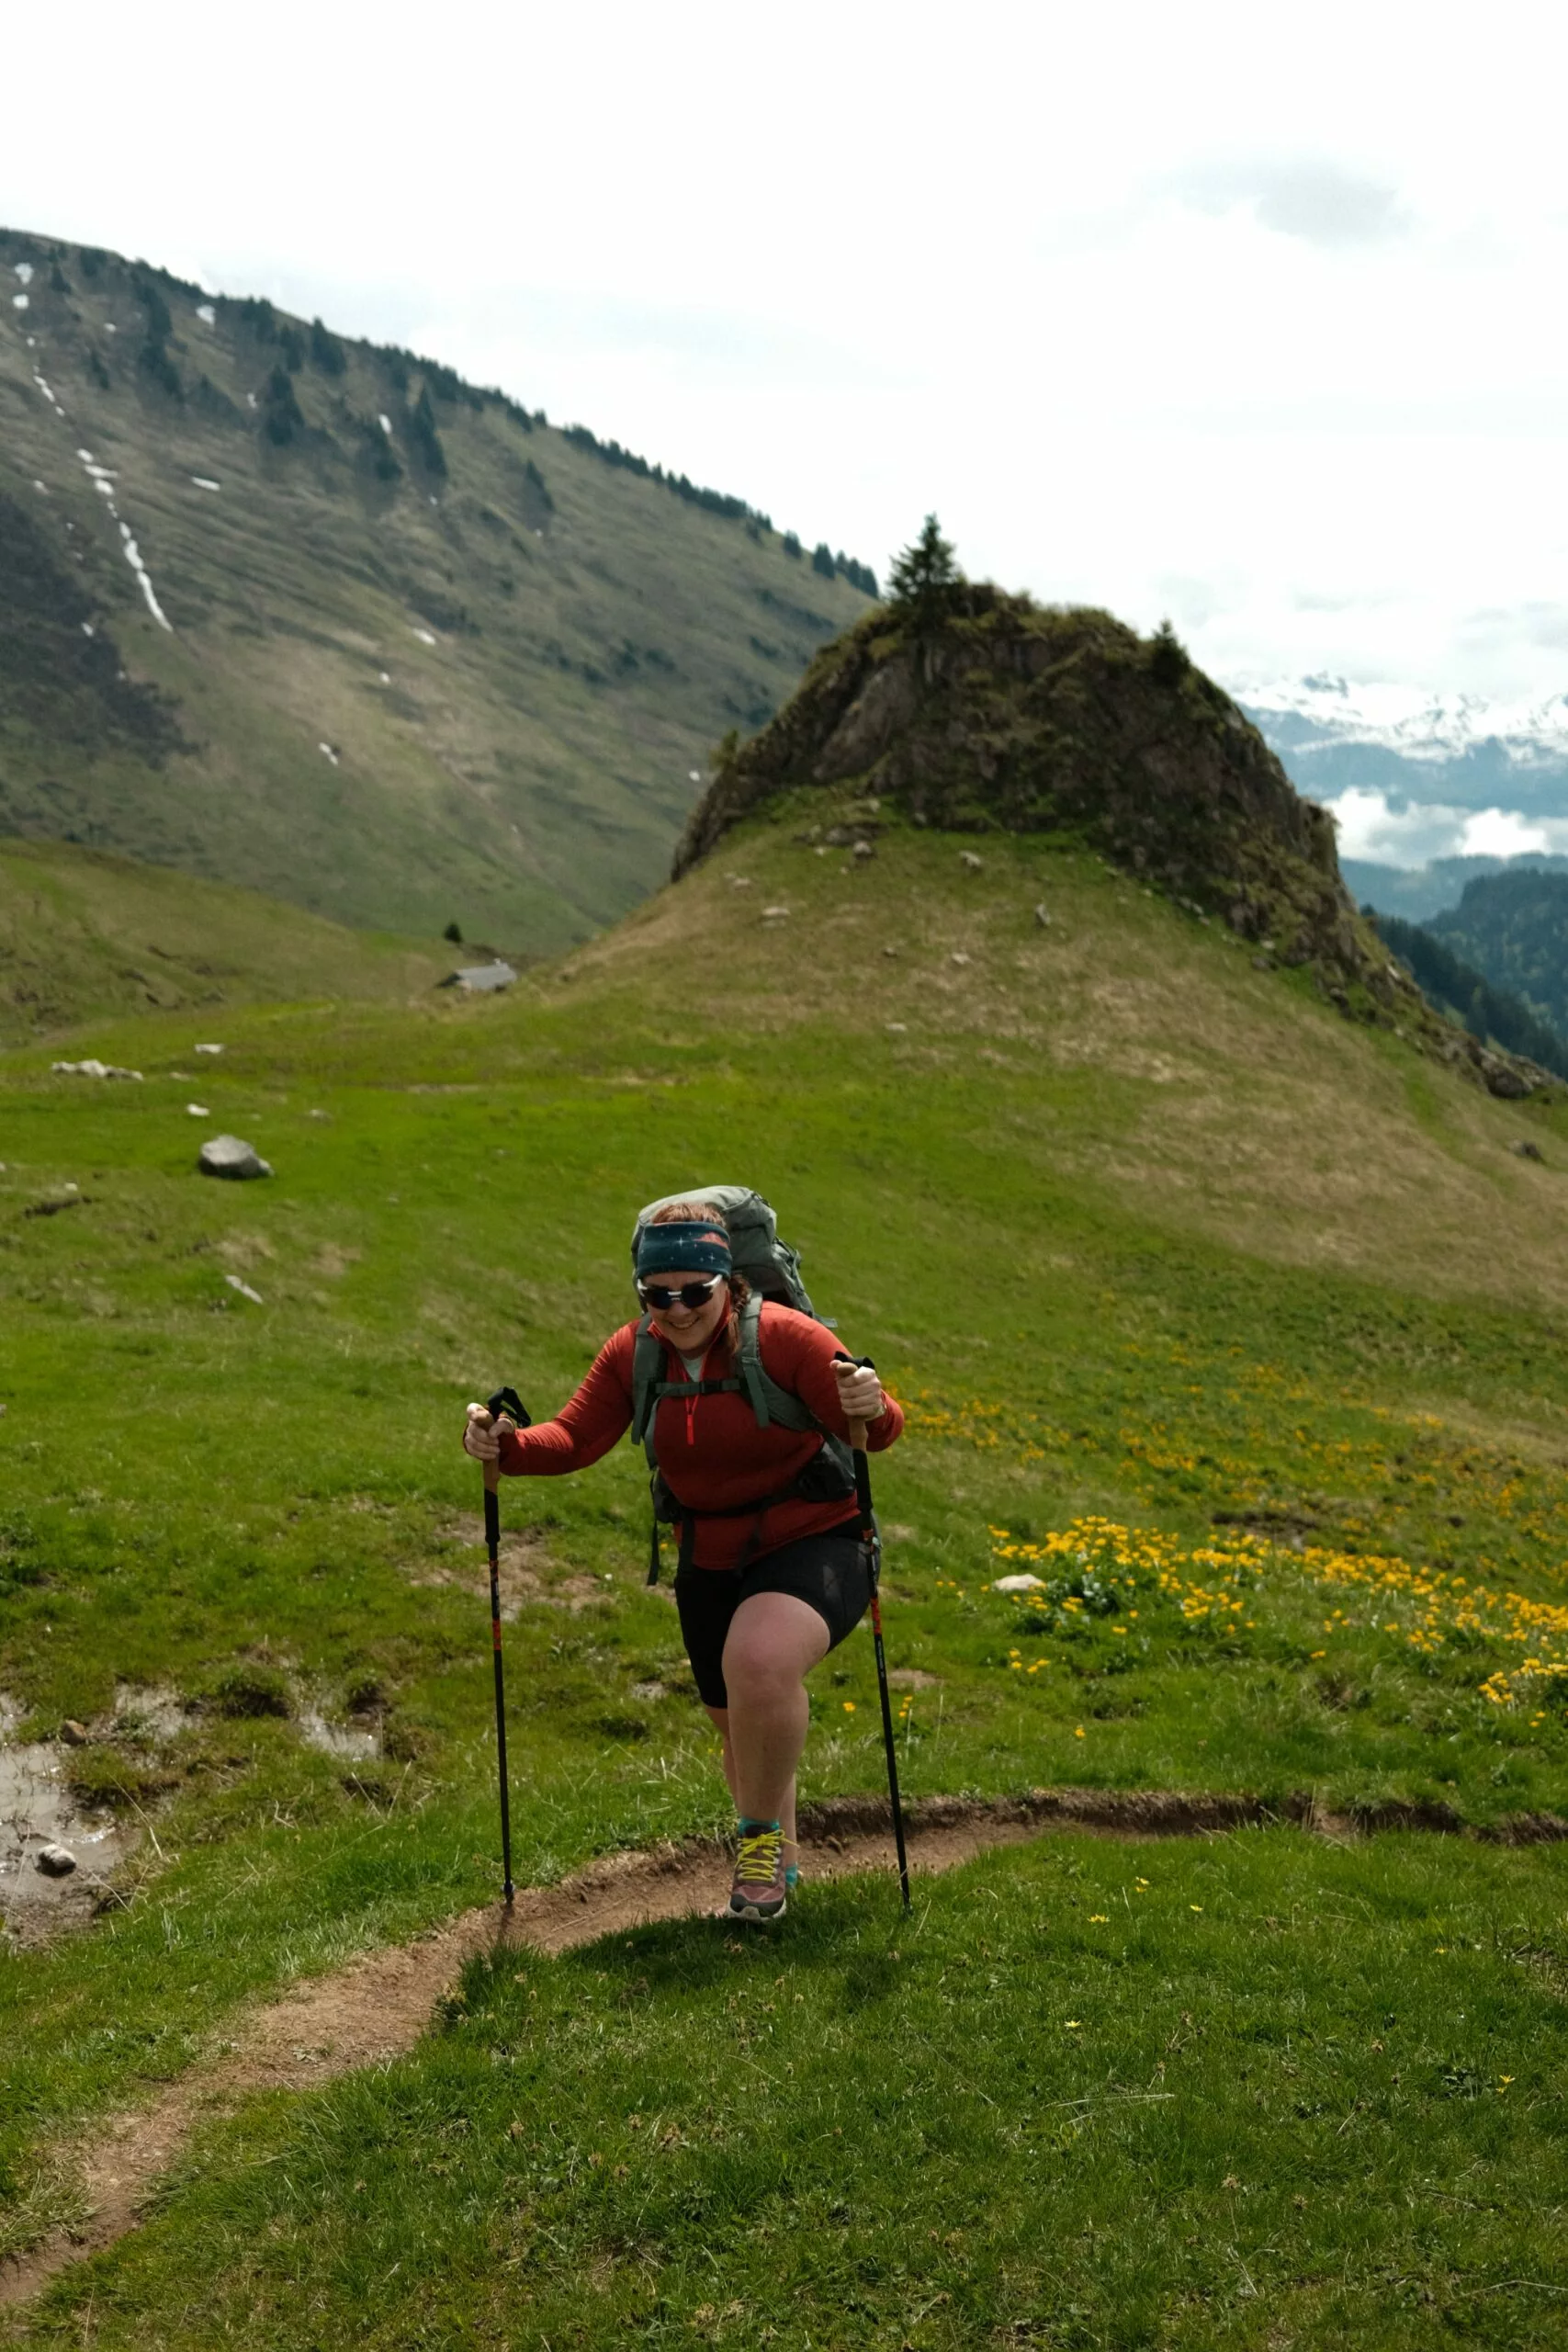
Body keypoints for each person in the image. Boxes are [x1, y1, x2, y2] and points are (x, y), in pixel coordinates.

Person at [463, 1201, 901, 1921]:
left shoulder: (787, 1337)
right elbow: (573, 1439)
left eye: (695, 1291)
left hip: (818, 1536)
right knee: (739, 1727)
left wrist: (870, 1401)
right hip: (709, 1553)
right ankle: (784, 1869)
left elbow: (874, 1432)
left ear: (728, 1282)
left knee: (759, 1663)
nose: (676, 1309)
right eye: (656, 1294)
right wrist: (503, 1446)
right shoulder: (634, 1352)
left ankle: (757, 1849)